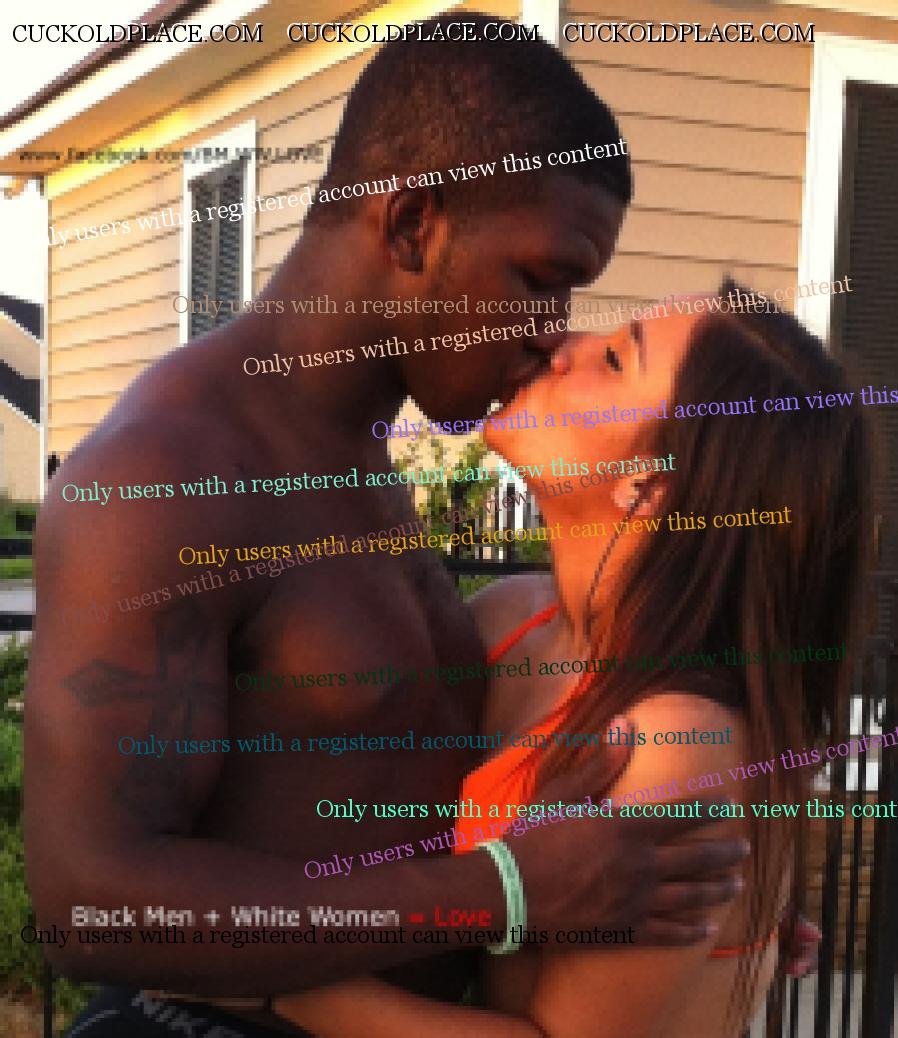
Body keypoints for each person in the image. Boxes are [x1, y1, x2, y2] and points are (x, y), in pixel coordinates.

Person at [28, 17, 747, 1038]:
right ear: (412, 225)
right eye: (540, 281)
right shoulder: (170, 471)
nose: (551, 337)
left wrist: (711, 933)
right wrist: (501, 890)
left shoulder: (354, 451)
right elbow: (87, 901)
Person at [271, 285, 868, 1036]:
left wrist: (273, 976)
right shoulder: (510, 622)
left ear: (649, 485)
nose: (561, 347)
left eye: (615, 359)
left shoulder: (672, 744)